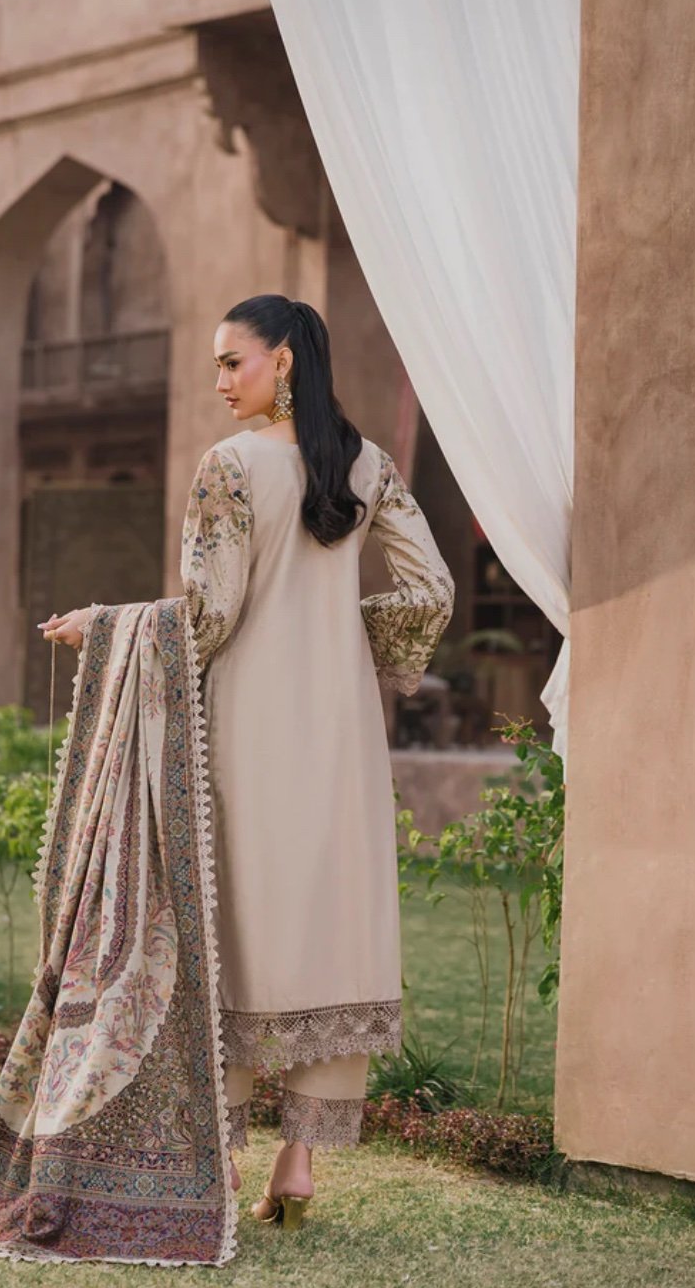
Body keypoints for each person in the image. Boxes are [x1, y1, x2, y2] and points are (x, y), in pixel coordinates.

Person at [37, 294, 455, 1231]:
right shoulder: (369, 465)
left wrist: (103, 625)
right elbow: (432, 587)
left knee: (226, 927)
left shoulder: (229, 466)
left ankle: (219, 1161)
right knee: (325, 926)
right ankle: (297, 1164)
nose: (221, 381)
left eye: (234, 361)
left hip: (243, 727)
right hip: (342, 733)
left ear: (285, 361)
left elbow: (209, 614)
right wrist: (351, 639)